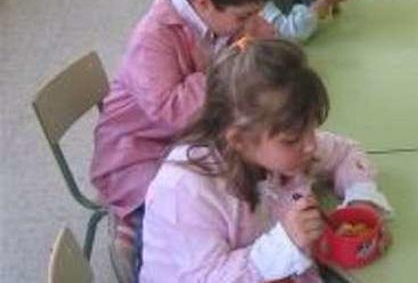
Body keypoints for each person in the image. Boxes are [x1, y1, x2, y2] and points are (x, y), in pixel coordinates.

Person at [90, 0, 280, 277]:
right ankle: (133, 234)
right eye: (243, 17)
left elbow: (260, 39)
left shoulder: (220, 17)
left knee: (240, 186)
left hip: (196, 138)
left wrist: (260, 45)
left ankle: (229, 252)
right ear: (204, 2)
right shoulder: (152, 37)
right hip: (136, 151)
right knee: (177, 209)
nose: (249, 25)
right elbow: (173, 114)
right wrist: (226, 61)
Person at [140, 38, 392, 282]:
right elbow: (203, 277)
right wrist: (287, 241)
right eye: (293, 138)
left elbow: (346, 152)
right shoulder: (184, 191)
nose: (311, 145)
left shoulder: (278, 144)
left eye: (312, 128)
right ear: (238, 140)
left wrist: (361, 202)